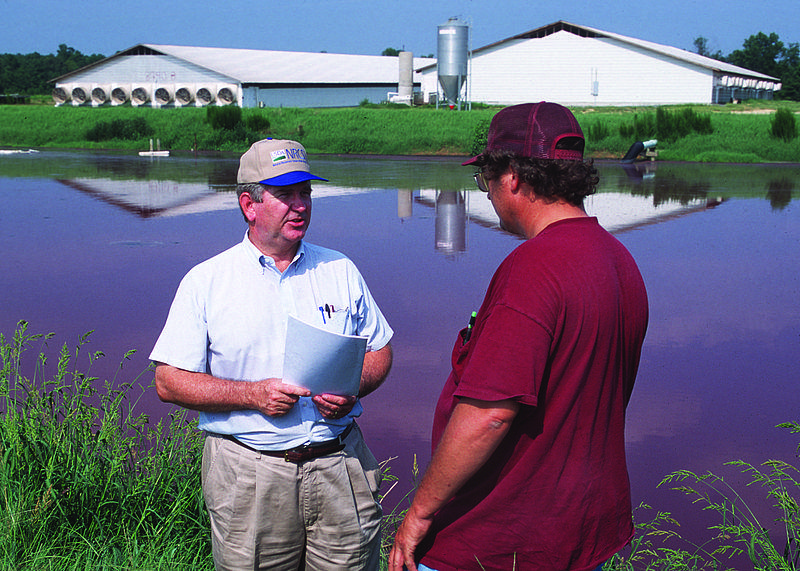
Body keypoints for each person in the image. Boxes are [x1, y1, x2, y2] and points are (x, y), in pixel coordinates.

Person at [389, 102, 649, 571]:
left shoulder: (534, 269)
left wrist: (418, 516)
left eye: (486, 178)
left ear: (512, 176)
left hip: (496, 543)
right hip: (579, 533)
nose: (486, 193)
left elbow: (488, 414)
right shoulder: (619, 260)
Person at [151, 138, 393, 571]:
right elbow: (168, 381)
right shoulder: (207, 281)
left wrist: (351, 387)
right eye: (286, 195)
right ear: (249, 204)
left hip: (340, 465)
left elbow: (379, 350)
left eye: (306, 193)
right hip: (250, 476)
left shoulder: (339, 270)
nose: (300, 205)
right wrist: (252, 395)